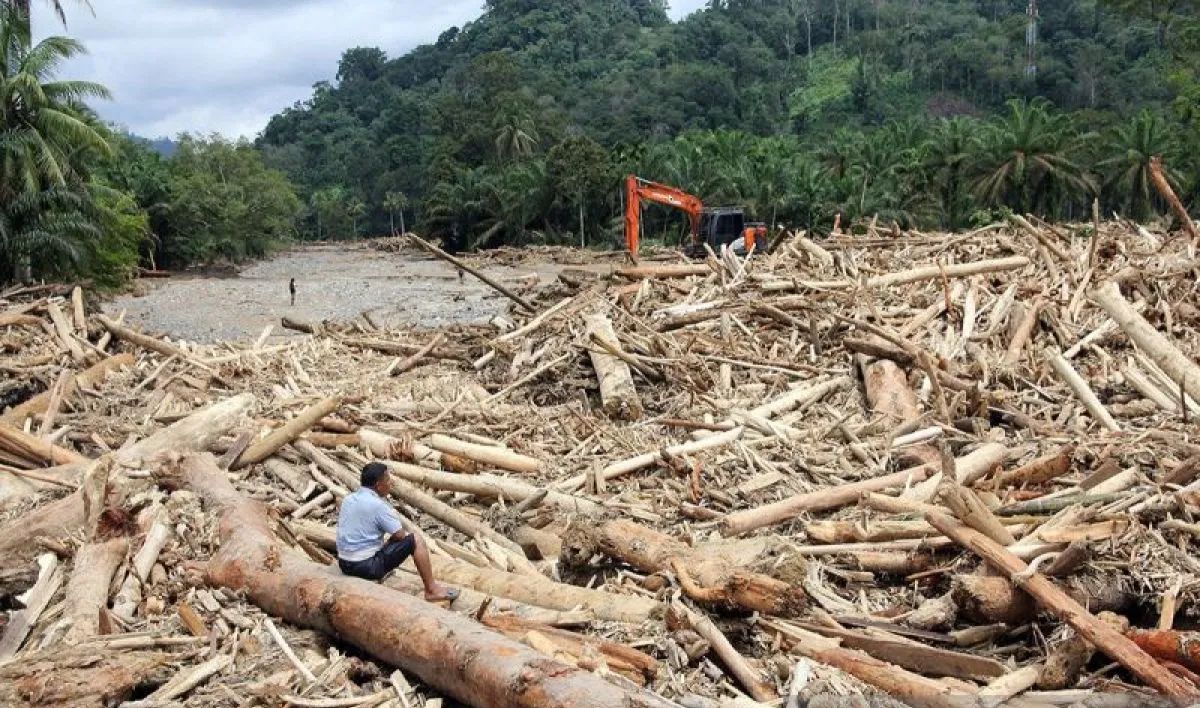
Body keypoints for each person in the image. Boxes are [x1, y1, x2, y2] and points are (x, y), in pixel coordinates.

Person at [335, 462, 459, 602]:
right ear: (378, 485)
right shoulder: (379, 506)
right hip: (366, 567)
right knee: (416, 540)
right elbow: (399, 534)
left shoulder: (348, 499)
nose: (391, 484)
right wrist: (390, 542)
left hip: (344, 563)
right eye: (388, 480)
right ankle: (431, 589)